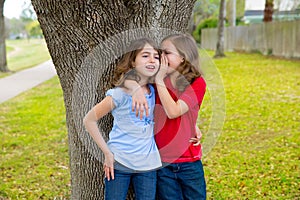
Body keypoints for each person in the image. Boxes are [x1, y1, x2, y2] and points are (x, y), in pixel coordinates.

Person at [126, 33, 207, 200]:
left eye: (167, 52)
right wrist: (134, 88)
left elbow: (174, 112)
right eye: (160, 52)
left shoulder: (196, 83)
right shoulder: (155, 79)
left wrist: (160, 80)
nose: (161, 57)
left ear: (183, 57)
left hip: (189, 163)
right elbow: (126, 78)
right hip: (162, 164)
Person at [83, 38, 162, 200]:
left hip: (148, 164)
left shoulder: (157, 91)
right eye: (145, 55)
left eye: (156, 56)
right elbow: (88, 120)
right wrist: (107, 153)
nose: (152, 60)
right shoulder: (120, 94)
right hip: (120, 162)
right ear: (133, 61)